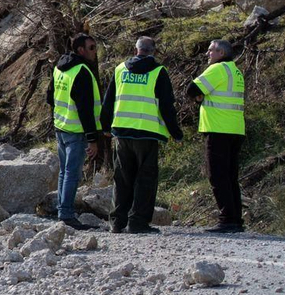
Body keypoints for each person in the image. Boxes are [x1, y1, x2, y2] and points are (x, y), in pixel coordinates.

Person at [100, 36, 184, 234]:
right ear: (153, 51)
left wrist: (105, 126)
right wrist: (176, 133)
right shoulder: (158, 72)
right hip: (147, 133)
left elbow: (108, 100)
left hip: (121, 131)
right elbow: (166, 106)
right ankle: (137, 222)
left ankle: (117, 222)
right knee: (145, 179)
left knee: (122, 178)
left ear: (136, 49)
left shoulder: (120, 69)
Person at [189, 39, 247, 233]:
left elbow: (192, 90)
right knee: (230, 177)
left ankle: (227, 219)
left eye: (211, 51)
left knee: (217, 176)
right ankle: (236, 219)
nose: (207, 54)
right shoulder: (235, 71)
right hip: (235, 129)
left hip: (218, 129)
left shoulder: (218, 69)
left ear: (221, 53)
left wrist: (200, 97)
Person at [47, 33, 103, 229]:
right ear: (80, 50)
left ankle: (63, 210)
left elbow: (49, 97)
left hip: (61, 127)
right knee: (72, 173)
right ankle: (67, 214)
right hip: (76, 131)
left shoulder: (59, 68)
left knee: (65, 172)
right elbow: (85, 109)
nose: (95, 52)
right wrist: (93, 139)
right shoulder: (82, 72)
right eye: (91, 47)